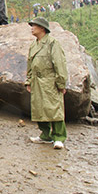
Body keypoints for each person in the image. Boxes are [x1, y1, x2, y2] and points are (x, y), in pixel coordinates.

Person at [25, 17, 68, 149]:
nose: (32, 28)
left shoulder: (52, 43)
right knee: (38, 108)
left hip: (50, 81)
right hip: (37, 81)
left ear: (42, 28)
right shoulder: (34, 45)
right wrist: (28, 81)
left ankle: (58, 137)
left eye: (34, 26)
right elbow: (30, 64)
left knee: (54, 109)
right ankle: (45, 135)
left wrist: (61, 83)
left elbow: (60, 64)